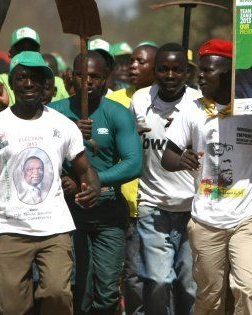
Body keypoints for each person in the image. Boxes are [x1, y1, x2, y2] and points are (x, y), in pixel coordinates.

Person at [161, 38, 252, 314]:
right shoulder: (192, 109)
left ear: (229, 75)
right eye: (201, 70)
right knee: (209, 298)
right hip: (206, 220)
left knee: (248, 288)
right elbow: (167, 157)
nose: (201, 76)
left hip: (247, 218)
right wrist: (181, 159)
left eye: (209, 71)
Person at [0, 51, 100, 314]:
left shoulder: (63, 125)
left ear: (45, 84)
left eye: (35, 78)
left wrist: (92, 186)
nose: (28, 84)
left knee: (58, 294)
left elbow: (86, 168)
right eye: (21, 78)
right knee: (9, 308)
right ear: (12, 83)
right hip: (10, 229)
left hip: (54, 229)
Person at [49, 50, 142, 314]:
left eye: (94, 76)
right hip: (67, 214)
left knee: (107, 292)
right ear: (70, 77)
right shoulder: (54, 113)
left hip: (108, 214)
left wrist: (93, 180)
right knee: (77, 288)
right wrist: (71, 138)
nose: (87, 81)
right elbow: (40, 161)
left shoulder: (117, 113)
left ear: (106, 78)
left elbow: (134, 162)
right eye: (81, 75)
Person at [129, 42, 201, 314]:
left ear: (187, 72)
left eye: (176, 70)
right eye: (163, 69)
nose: (170, 76)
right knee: (158, 281)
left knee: (189, 286)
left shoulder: (198, 103)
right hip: (152, 205)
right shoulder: (140, 100)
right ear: (155, 71)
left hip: (191, 208)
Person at [106, 42, 158, 314]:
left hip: (159, 203)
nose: (132, 66)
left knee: (161, 277)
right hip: (123, 202)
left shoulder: (166, 102)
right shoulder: (113, 102)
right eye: (131, 61)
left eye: (141, 62)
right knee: (132, 277)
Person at [0, 26, 68, 119]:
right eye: (20, 49)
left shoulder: (55, 81)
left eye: (31, 49)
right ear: (10, 53)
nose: (25, 54)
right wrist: (3, 107)